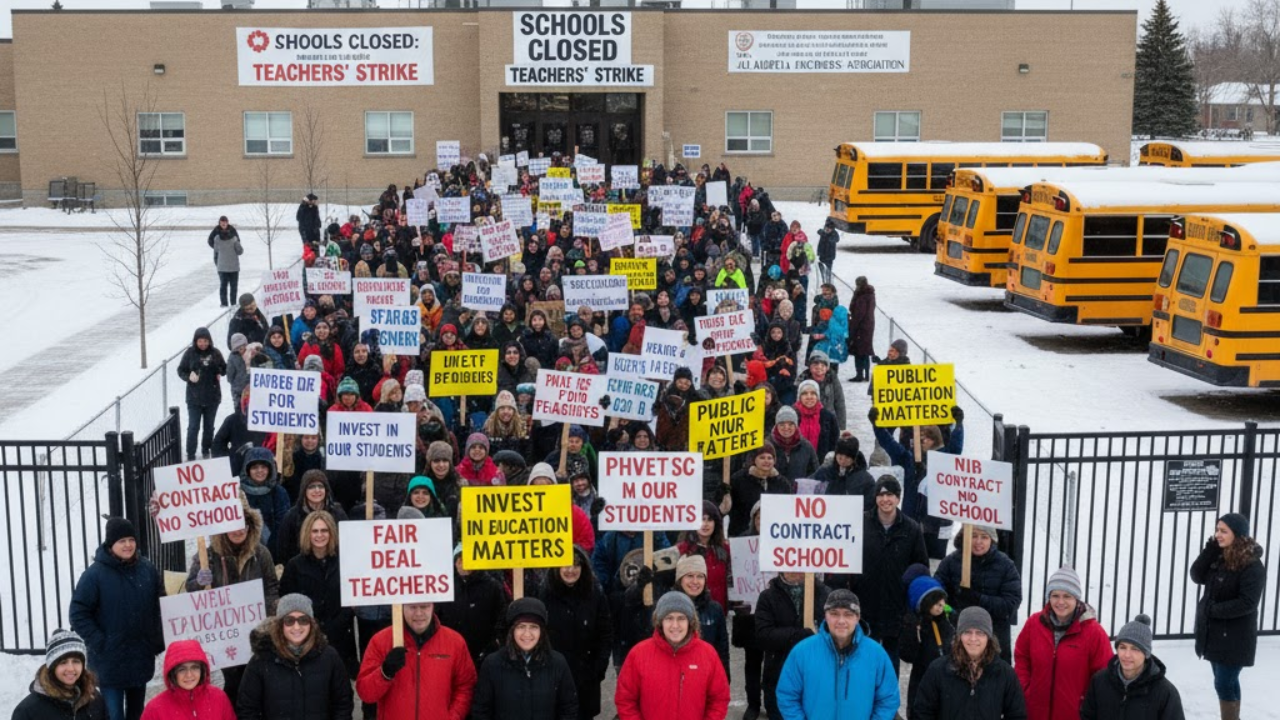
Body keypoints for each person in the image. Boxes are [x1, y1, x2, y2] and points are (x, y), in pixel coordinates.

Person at [183, 505, 281, 705]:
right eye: (233, 525)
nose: (238, 531)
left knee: (255, 678)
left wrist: (267, 614)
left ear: (250, 526)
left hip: (256, 629)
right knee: (233, 681)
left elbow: (271, 587)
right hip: (225, 632)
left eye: (243, 525)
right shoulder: (209, 556)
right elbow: (191, 589)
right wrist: (199, 582)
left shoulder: (261, 554)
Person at [69, 518, 164, 720]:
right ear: (111, 544)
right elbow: (78, 612)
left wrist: (156, 639)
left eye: (131, 540)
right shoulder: (94, 575)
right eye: (122, 541)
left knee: (137, 715)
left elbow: (160, 605)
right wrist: (99, 641)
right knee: (113, 715)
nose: (128, 545)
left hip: (140, 658)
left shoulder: (147, 569)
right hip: (109, 662)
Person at [775, 589, 900, 720]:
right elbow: (787, 695)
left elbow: (888, 699)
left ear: (857, 618)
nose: (841, 621)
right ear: (825, 616)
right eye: (834, 614)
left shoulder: (876, 654)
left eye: (848, 614)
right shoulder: (802, 651)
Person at [850, 477, 929, 676]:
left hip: (896, 606)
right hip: (865, 602)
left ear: (898, 498)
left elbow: (921, 566)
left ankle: (888, 695)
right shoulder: (859, 522)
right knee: (863, 657)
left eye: (890, 495)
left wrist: (912, 605)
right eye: (881, 495)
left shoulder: (911, 529)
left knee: (890, 660)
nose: (885, 499)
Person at [1190, 512, 1265, 720]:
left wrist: (1212, 610)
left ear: (1237, 534)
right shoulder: (1220, 557)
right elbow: (1197, 575)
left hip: (1235, 637)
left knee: (1223, 683)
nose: (1218, 535)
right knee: (1227, 682)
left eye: (1223, 531)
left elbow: (1248, 603)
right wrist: (1210, 549)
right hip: (1215, 634)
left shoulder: (1252, 566)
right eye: (1217, 530)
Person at [1013, 566, 1112, 720]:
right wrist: (1025, 689)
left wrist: (1086, 703)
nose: (1060, 602)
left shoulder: (1094, 632)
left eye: (1067, 596)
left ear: (1076, 599)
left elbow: (1104, 674)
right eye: (1055, 595)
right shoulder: (1034, 624)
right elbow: (1022, 657)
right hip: (1035, 712)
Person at [614, 591, 731, 720]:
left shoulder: (708, 654)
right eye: (669, 618)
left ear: (690, 622)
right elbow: (625, 699)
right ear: (660, 622)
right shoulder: (639, 654)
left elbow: (719, 699)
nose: (675, 625)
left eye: (681, 618)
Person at [237, 594, 354, 720]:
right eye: (289, 620)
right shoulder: (261, 660)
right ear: (280, 624)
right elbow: (247, 708)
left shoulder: (329, 657)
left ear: (311, 623)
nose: (297, 627)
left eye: (303, 620)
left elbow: (343, 703)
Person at [356, 601, 477, 720]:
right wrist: (384, 673)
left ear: (433, 607)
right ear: (402, 607)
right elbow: (366, 694)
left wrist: (452, 716)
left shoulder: (454, 642)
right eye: (412, 607)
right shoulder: (381, 641)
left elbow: (465, 686)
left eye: (424, 607)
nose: (418, 613)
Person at [470, 597, 578, 720]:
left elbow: (569, 708)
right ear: (512, 630)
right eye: (521, 626)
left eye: (533, 627)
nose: (527, 634)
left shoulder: (557, 663)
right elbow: (481, 710)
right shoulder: (492, 664)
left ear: (542, 631)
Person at [280, 511, 358, 679]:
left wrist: (341, 619)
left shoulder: (345, 560)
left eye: (324, 530)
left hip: (341, 634)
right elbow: (287, 600)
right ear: (307, 533)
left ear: (331, 533)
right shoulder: (294, 565)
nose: (319, 535)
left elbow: (352, 596)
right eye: (315, 531)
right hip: (307, 636)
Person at [912, 607, 1027, 720]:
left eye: (980, 633)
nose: (973, 638)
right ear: (959, 636)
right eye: (967, 632)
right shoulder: (938, 669)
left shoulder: (1004, 673)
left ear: (988, 637)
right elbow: (922, 711)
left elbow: (1016, 714)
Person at [539, 546, 611, 720]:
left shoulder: (595, 592)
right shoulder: (544, 593)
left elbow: (605, 632)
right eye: (565, 565)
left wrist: (598, 669)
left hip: (586, 678)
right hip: (553, 676)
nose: (570, 570)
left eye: (576, 565)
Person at [934, 525, 1021, 663]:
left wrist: (979, 599)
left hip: (995, 640)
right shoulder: (951, 562)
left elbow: (1010, 605)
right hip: (958, 636)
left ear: (992, 540)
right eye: (973, 536)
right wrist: (952, 610)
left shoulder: (1005, 565)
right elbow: (937, 595)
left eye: (984, 537)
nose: (978, 541)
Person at [755, 572, 831, 720]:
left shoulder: (825, 594)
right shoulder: (768, 597)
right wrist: (799, 635)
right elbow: (763, 635)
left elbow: (836, 633)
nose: (796, 569)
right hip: (779, 675)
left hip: (817, 678)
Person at [1080, 614, 1185, 720]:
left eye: (1135, 649)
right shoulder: (1099, 681)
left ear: (1146, 654)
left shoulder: (1165, 692)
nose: (1127, 655)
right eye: (1122, 647)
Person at [12, 628, 108, 720]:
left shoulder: (94, 699)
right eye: (63, 662)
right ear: (52, 666)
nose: (71, 669)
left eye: (76, 661)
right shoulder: (27, 711)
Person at [138, 639, 237, 720]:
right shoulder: (155, 709)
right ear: (172, 673)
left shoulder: (218, 698)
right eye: (182, 669)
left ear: (202, 669)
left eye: (195, 667)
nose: (189, 675)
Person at [901, 574, 954, 719]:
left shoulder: (946, 621)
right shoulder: (916, 624)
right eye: (935, 601)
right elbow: (907, 654)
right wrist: (912, 630)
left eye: (942, 601)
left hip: (946, 680)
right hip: (922, 678)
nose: (940, 605)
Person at [276, 471, 349, 567]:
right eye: (311, 487)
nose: (317, 490)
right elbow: (283, 550)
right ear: (304, 490)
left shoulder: (338, 514)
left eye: (321, 486)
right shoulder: (292, 517)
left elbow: (347, 544)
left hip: (333, 568)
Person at [176, 327, 226, 461]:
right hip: (194, 398)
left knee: (209, 427)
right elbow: (180, 370)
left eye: (205, 341)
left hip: (212, 397)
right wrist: (189, 376)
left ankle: (206, 450)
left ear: (209, 341)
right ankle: (190, 453)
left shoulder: (215, 353)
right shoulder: (190, 353)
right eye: (200, 341)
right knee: (193, 426)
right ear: (195, 341)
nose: (203, 344)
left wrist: (218, 371)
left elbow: (224, 368)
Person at [238, 446, 291, 559]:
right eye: (255, 467)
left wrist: (270, 552)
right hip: (243, 549)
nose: (260, 471)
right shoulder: (238, 493)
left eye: (263, 467)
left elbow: (283, 524)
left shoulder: (279, 492)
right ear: (247, 470)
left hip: (273, 551)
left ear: (270, 469)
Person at [208, 216, 243, 308]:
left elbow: (238, 247)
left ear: (227, 222)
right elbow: (239, 250)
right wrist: (221, 250)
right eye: (222, 223)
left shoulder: (231, 232)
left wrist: (221, 250)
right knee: (227, 286)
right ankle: (228, 304)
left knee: (227, 286)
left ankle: (229, 304)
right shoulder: (218, 233)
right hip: (226, 265)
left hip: (228, 265)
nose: (223, 224)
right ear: (219, 223)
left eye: (225, 222)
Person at [847, 277, 876, 383]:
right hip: (868, 326)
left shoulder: (861, 295)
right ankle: (867, 374)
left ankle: (859, 375)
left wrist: (852, 327)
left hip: (860, 327)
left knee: (858, 352)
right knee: (865, 351)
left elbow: (859, 314)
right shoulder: (870, 294)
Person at [816, 218, 838, 286]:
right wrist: (819, 252)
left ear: (832, 229)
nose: (827, 229)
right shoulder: (823, 232)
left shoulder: (834, 234)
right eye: (826, 228)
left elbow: (836, 239)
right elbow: (818, 231)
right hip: (822, 255)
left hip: (829, 256)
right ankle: (823, 281)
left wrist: (827, 236)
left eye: (829, 228)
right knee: (821, 269)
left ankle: (828, 283)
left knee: (828, 270)